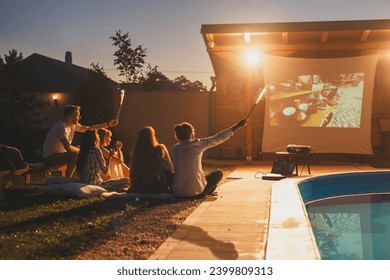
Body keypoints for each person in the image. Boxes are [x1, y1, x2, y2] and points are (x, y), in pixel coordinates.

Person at [171, 119, 247, 199]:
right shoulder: (198, 144)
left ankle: (210, 188)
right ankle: (210, 189)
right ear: (191, 134)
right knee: (218, 174)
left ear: (178, 136)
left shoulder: (175, 148)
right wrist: (238, 126)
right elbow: (219, 138)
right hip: (196, 193)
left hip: (177, 193)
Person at [42, 105, 118, 177]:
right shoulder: (61, 127)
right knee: (76, 154)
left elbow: (89, 128)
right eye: (77, 115)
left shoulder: (73, 125)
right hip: (50, 157)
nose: (79, 117)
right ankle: (68, 178)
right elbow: (68, 148)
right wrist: (82, 151)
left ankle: (90, 174)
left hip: (61, 155)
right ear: (70, 116)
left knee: (79, 149)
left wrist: (107, 125)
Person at [129, 126, 174, 194]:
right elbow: (171, 168)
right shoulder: (160, 148)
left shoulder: (136, 152)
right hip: (157, 186)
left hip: (139, 187)